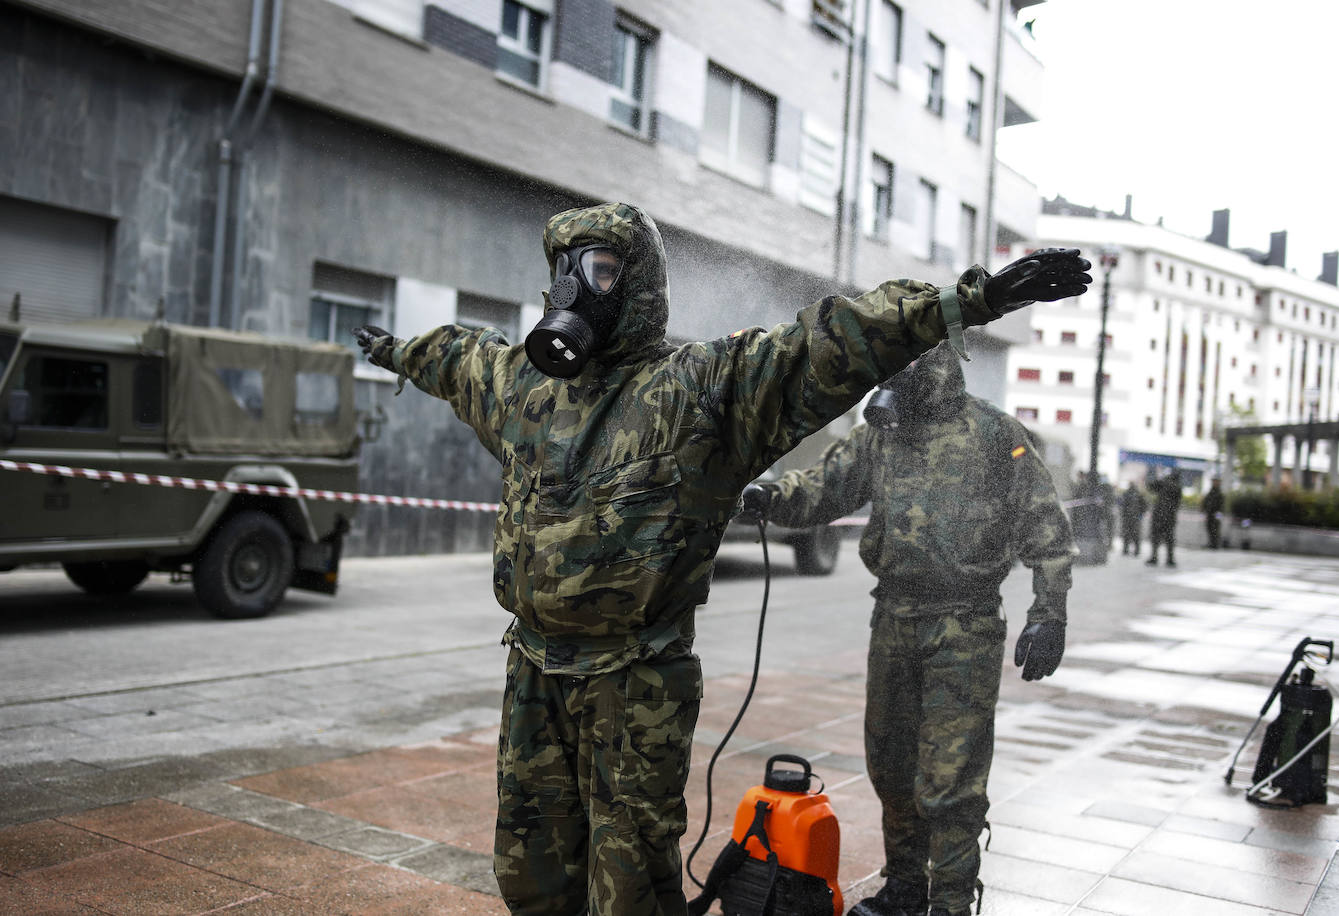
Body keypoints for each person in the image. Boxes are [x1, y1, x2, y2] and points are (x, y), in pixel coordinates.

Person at [353, 201, 1091, 916]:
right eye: (566, 269)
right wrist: (395, 351)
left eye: (602, 268)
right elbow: (457, 357)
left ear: (641, 283)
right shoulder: (527, 386)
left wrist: (974, 299)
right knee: (531, 871)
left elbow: (830, 342)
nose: (577, 288)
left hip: (634, 679)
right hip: (534, 669)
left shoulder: (704, 388)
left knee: (628, 884)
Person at [740, 342, 1076, 916]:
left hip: (963, 624)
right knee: (891, 765)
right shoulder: (883, 430)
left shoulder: (995, 434)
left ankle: (949, 904)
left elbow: (1046, 526)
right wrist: (771, 495)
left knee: (950, 780)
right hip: (892, 616)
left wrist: (1049, 611)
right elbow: (828, 485)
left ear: (937, 361)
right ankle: (903, 889)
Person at [1145, 468, 1183, 566]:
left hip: (1160, 515)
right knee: (1169, 538)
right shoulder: (1177, 486)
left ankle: (1155, 557)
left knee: (1157, 538)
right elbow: (1177, 503)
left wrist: (1158, 478)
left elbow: (1151, 487)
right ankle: (1169, 559)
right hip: (1168, 516)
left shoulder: (1165, 483)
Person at [1118, 481, 1145, 556]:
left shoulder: (1127, 494)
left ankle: (1127, 549)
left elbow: (1122, 505)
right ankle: (1134, 550)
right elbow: (1144, 506)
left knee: (1128, 534)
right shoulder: (1138, 494)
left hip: (1129, 518)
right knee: (1134, 534)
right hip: (1133, 518)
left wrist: (1123, 514)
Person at [1202, 476, 1224, 549]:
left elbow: (1221, 505)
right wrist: (1204, 509)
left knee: (1215, 528)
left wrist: (1218, 514)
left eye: (1216, 481)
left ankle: (1215, 544)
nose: (1214, 483)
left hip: (1216, 514)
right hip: (1209, 513)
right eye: (1214, 481)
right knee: (1209, 528)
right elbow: (1206, 501)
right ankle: (1211, 542)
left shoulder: (1219, 493)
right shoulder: (1211, 491)